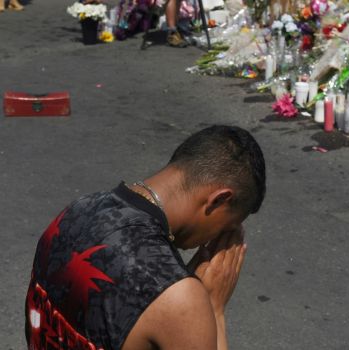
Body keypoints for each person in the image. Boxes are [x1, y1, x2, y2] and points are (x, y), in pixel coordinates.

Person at [25, 125, 266, 349]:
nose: (216, 238)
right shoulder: (178, 298)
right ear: (218, 199)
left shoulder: (75, 211)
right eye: (228, 227)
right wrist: (213, 310)